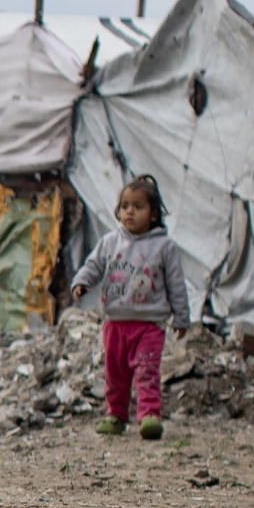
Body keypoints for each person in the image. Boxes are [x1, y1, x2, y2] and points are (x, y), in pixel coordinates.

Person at [69, 173, 194, 440]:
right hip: (115, 323)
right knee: (115, 373)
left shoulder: (164, 247)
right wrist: (81, 283)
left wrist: (182, 318)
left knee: (147, 370)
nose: (130, 212)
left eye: (138, 207)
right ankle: (116, 415)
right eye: (125, 206)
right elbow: (94, 266)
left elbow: (176, 284)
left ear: (153, 214)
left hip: (149, 325)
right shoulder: (110, 242)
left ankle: (149, 415)